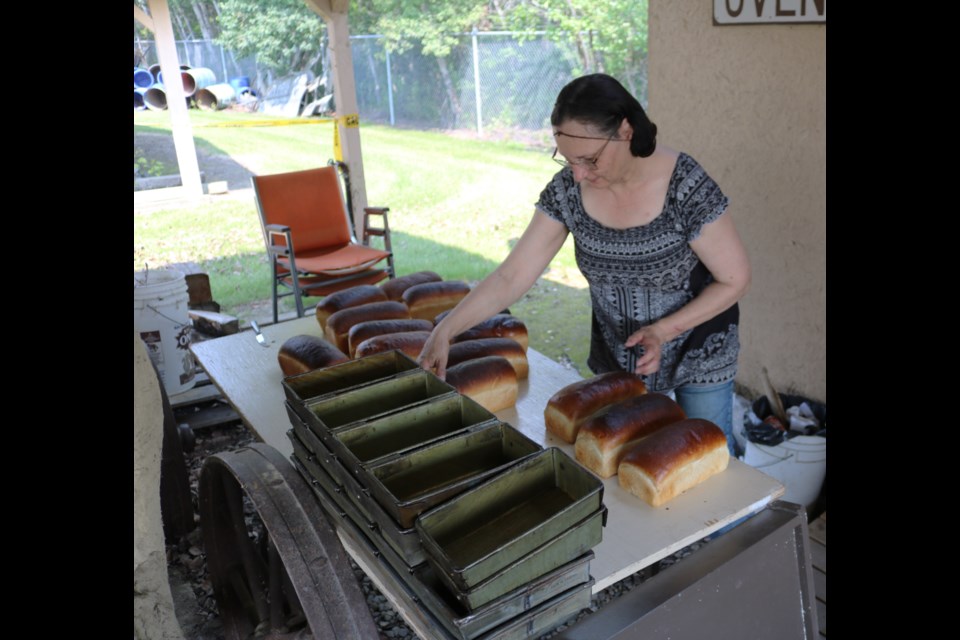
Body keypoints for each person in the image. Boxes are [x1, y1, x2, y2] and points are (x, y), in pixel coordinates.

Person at [417, 73, 751, 456]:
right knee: (626, 460)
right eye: (567, 159)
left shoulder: (685, 186)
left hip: (699, 349)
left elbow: (734, 278)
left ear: (626, 131)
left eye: (589, 159)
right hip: (618, 355)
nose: (578, 174)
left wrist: (664, 330)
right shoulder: (568, 191)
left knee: (708, 461)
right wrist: (446, 329)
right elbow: (512, 275)